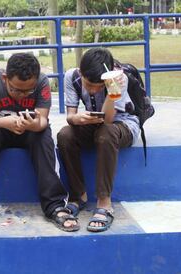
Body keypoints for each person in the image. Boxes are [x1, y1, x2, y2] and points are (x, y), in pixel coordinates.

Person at [0, 53, 79, 232]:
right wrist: (6, 123)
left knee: (44, 136)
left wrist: (33, 124)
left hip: (30, 132)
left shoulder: (42, 81)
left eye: (28, 91)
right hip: (0, 129)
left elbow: (43, 120)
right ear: (5, 78)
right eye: (16, 90)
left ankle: (54, 204)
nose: (21, 96)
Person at [57, 48, 139, 232]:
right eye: (89, 84)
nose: (93, 90)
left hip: (122, 124)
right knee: (65, 135)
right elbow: (70, 117)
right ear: (81, 72)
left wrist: (111, 91)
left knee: (106, 132)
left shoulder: (120, 79)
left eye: (99, 86)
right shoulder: (72, 76)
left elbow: (109, 119)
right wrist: (77, 119)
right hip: (92, 124)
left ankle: (104, 202)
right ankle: (79, 196)